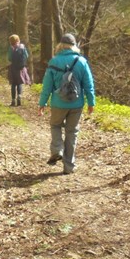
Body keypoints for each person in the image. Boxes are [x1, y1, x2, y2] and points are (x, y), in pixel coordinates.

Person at [38, 33, 95, 175]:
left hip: (58, 103)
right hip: (76, 104)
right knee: (72, 132)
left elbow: (47, 86)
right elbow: (88, 84)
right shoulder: (81, 62)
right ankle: (69, 167)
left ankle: (57, 149)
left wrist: (42, 102)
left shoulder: (54, 61)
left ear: (60, 46)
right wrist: (91, 102)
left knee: (55, 125)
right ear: (74, 46)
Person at [7, 34, 30, 106]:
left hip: (13, 68)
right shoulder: (22, 47)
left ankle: (13, 100)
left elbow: (9, 58)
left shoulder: (11, 48)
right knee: (19, 83)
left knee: (13, 84)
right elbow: (26, 56)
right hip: (21, 68)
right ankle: (19, 96)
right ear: (18, 40)